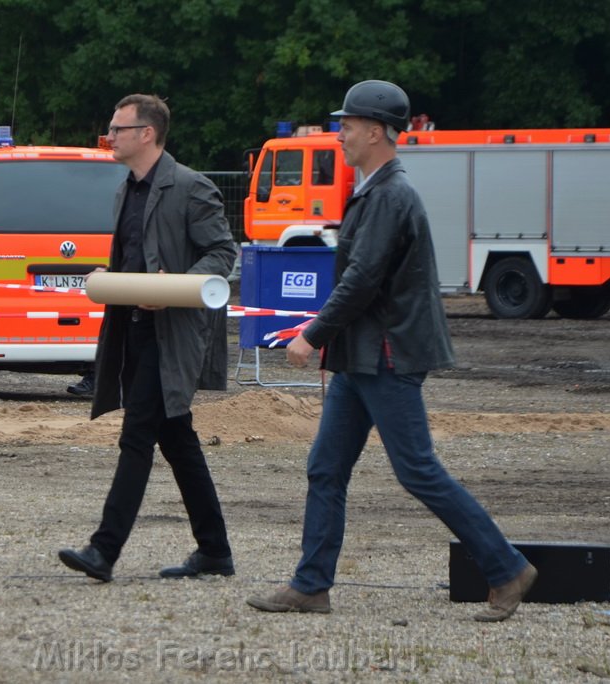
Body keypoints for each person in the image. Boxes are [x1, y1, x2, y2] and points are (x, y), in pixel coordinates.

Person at [246, 80, 536, 621]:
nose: (340, 135)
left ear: (376, 131)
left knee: (418, 471)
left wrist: (313, 334)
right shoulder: (376, 191)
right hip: (364, 356)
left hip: (385, 355)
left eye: (348, 126)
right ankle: (311, 585)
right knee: (325, 468)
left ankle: (507, 569)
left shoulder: (390, 195)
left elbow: (362, 280)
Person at [58, 94, 237, 582]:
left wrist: (175, 288)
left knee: (136, 434)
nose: (110, 137)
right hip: (134, 331)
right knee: (177, 441)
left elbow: (222, 254)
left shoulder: (191, 187)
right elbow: (135, 258)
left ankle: (104, 550)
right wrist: (113, 277)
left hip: (171, 337)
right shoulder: (126, 190)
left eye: (118, 129)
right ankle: (215, 550)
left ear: (147, 134)